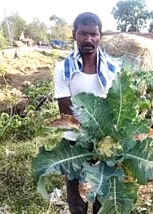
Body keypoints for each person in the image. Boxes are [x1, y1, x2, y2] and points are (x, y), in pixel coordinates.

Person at [54, 12, 121, 214]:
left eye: (93, 34)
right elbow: (65, 110)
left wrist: (104, 142)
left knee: (103, 196)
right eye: (83, 33)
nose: (88, 39)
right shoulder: (63, 69)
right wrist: (90, 139)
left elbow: (117, 106)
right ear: (75, 34)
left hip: (106, 143)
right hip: (75, 143)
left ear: (100, 36)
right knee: (76, 200)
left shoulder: (113, 68)